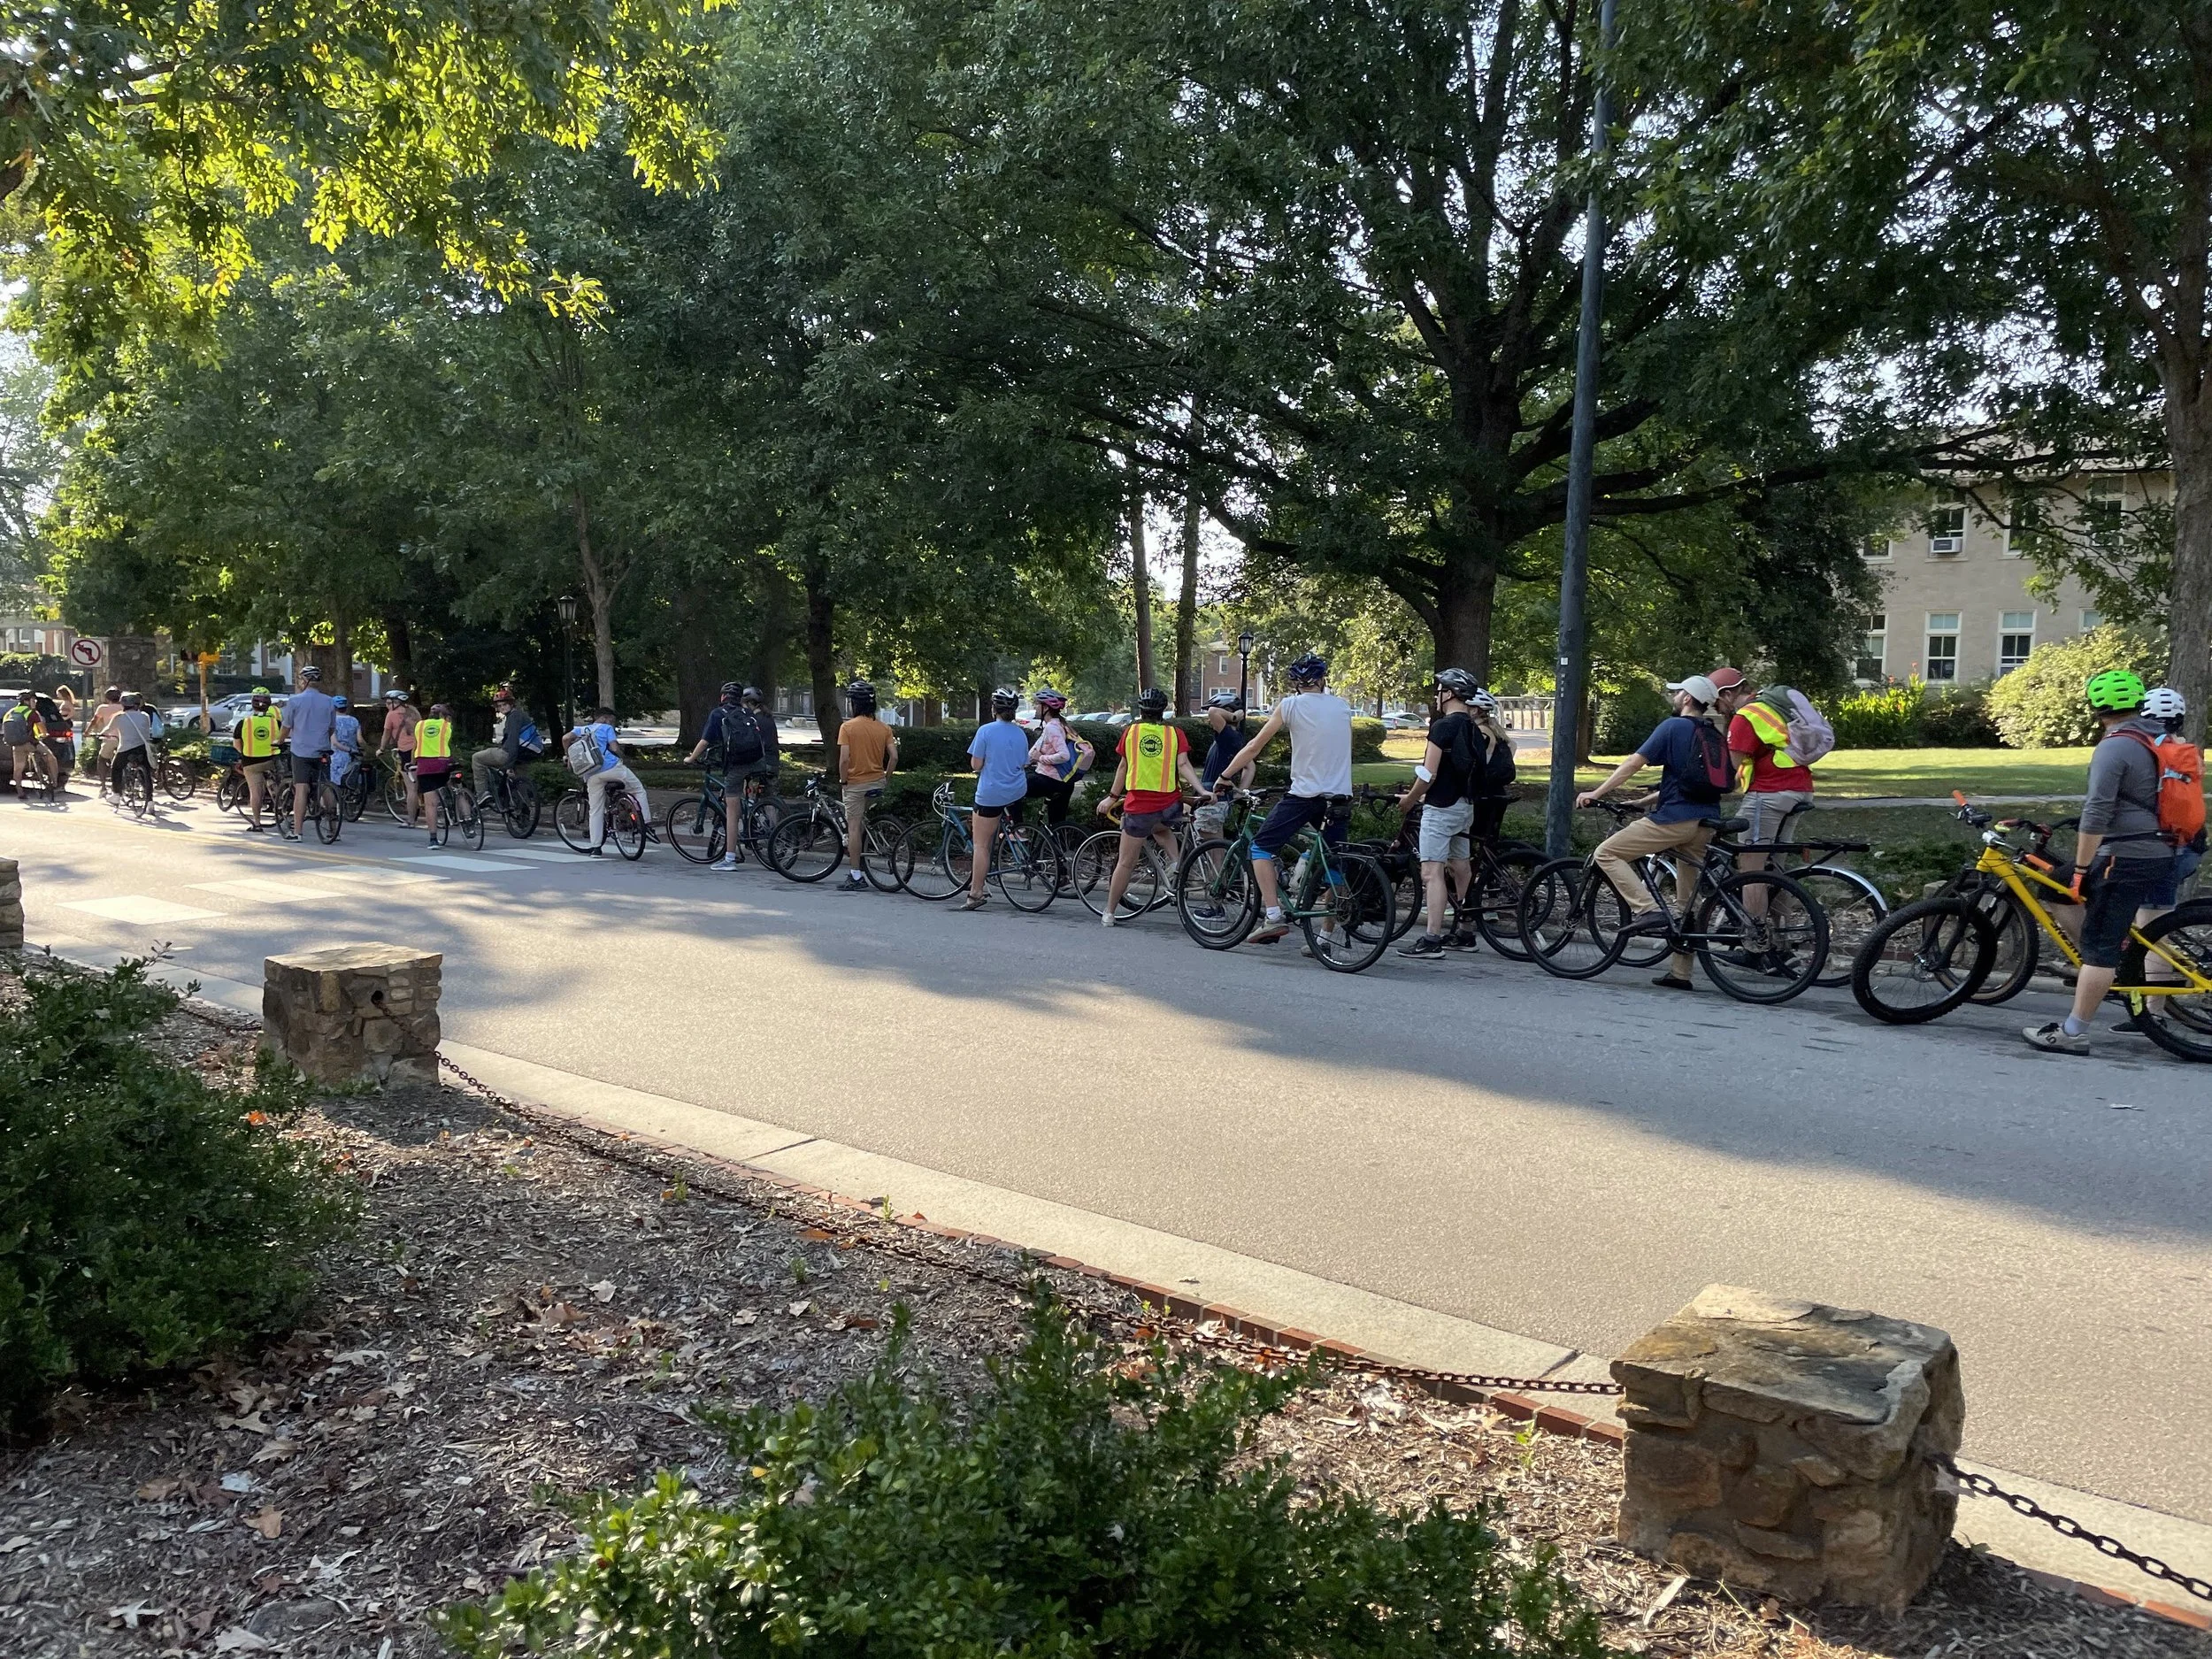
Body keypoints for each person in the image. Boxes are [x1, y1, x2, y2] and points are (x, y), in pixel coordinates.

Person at [2024, 672, 2185, 1054]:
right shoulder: (2153, 738)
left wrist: (2081, 870)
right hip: (2157, 848)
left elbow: (2097, 812)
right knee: (2053, 884)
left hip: (2127, 854)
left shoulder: (2115, 746)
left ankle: (2074, 1032)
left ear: (2097, 708)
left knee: (2099, 943)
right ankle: (2111, 963)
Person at [1575, 673, 1735, 990]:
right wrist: (1643, 800)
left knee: (1606, 852)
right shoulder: (1711, 732)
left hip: (1674, 820)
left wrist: (1598, 793)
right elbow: (1685, 780)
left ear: (1688, 699)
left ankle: (1645, 909)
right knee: (1686, 900)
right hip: (1705, 822)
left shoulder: (1672, 726)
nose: (1674, 697)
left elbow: (1634, 764)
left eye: (1678, 693)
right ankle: (1680, 973)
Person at [1212, 652, 1355, 946]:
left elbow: (1253, 747)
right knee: (1334, 862)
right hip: (1340, 796)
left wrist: (1226, 776)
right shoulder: (1343, 707)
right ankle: (1326, 937)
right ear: (1323, 680)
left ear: (1296, 684)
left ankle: (1273, 916)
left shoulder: (1290, 706)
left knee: (1261, 848)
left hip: (1305, 795)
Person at [1095, 687, 1208, 926]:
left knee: (1126, 862)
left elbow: (1123, 768)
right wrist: (1202, 791)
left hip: (1140, 806)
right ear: (1163, 711)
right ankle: (1176, 863)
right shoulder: (1176, 734)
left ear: (1141, 710)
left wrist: (1112, 797)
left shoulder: (1131, 732)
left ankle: (1110, 911)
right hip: (1170, 803)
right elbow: (1184, 765)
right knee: (1161, 827)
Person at [1394, 669, 1485, 959]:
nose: (1437, 695)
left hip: (1440, 808)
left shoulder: (1442, 727)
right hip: (1464, 807)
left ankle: (1432, 938)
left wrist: (1409, 799)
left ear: (1450, 694)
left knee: (1431, 873)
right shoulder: (1473, 727)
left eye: (1440, 690)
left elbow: (1428, 774)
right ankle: (1465, 930)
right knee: (1462, 867)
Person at [1719, 667, 1814, 916]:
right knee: (1775, 871)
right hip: (1800, 788)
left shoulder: (1746, 716)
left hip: (1769, 792)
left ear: (1728, 694)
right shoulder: (1770, 707)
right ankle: (1781, 942)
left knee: (1751, 871)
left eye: (1717, 701)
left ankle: (1755, 939)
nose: (1717, 708)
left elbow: (1732, 765)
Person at [685, 682, 778, 872]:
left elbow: (705, 741)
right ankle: (755, 817)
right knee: (749, 798)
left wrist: (691, 758)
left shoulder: (718, 713)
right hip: (757, 762)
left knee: (732, 814)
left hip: (737, 766)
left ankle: (729, 859)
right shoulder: (748, 713)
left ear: (723, 697)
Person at [962, 688, 1035, 909]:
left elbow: (975, 764)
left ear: (994, 709)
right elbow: (1024, 761)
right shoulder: (1020, 733)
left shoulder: (985, 731)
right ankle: (1008, 841)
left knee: (981, 844)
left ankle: (976, 892)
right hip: (1017, 789)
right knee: (994, 828)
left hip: (992, 792)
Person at [833, 680, 896, 893]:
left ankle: (856, 875)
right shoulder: (884, 727)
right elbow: (894, 756)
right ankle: (865, 847)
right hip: (877, 782)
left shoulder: (847, 727)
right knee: (860, 822)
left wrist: (843, 779)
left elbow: (843, 760)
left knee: (853, 826)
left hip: (855, 784)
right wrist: (885, 777)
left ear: (853, 704)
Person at [569, 706, 650, 854]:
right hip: (611, 768)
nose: (611, 723)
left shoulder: (581, 730)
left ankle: (596, 847)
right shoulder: (606, 728)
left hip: (591, 774)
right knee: (638, 789)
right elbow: (613, 748)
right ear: (605, 718)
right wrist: (623, 756)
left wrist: (567, 755)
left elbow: (565, 738)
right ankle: (645, 823)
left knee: (596, 809)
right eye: (611, 720)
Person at [279, 664, 336, 840]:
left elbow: (286, 726)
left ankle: (298, 832)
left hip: (301, 750)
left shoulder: (295, 701)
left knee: (301, 788)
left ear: (304, 680)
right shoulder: (329, 701)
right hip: (322, 750)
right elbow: (331, 728)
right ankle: (333, 828)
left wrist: (279, 741)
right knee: (326, 786)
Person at [1022, 688, 1093, 828]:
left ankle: (1018, 831)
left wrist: (1041, 758)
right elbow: (1031, 754)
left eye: (1037, 704)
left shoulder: (1052, 728)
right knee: (1057, 825)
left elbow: (1064, 755)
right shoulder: (1063, 725)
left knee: (1011, 787)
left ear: (1046, 708)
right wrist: (1027, 760)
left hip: (1049, 780)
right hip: (1065, 782)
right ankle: (1058, 849)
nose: (1035, 707)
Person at [1194, 690, 1253, 841]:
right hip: (1219, 798)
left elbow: (1213, 712)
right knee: (1216, 845)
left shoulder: (1227, 735)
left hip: (1212, 798)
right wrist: (1240, 792)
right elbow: (1250, 766)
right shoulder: (1235, 738)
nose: (1209, 720)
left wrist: (1234, 716)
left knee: (1214, 850)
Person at [472, 685, 540, 807]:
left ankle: (482, 794)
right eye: (499, 706)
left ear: (511, 704)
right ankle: (523, 815)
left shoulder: (514, 717)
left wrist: (509, 765)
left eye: (505, 705)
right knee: (519, 784)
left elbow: (513, 741)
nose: (502, 708)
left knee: (477, 758)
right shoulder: (521, 715)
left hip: (510, 754)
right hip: (524, 755)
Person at [232, 687, 282, 833]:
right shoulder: (276, 723)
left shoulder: (244, 723)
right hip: (271, 760)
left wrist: (246, 752)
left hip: (251, 762)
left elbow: (236, 744)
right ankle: (280, 808)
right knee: (275, 783)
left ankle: (257, 823)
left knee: (256, 793)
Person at [413, 703, 457, 847]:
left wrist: (411, 762)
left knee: (431, 804)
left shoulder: (419, 726)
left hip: (425, 767)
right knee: (457, 786)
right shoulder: (446, 725)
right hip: (443, 764)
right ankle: (467, 818)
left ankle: (433, 839)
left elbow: (416, 744)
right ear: (445, 716)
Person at [4, 689, 56, 800]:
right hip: (30, 743)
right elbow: (42, 730)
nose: (35, 702)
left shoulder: (11, 712)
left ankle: (20, 793)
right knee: (51, 757)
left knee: (18, 769)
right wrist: (44, 734)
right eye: (34, 700)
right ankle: (55, 783)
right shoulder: (32, 713)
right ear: (28, 701)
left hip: (16, 744)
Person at [380, 687, 420, 825]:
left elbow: (386, 734)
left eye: (388, 702)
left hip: (407, 751)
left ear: (395, 703)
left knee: (411, 788)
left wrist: (381, 749)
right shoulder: (414, 711)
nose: (386, 705)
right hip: (421, 749)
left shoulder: (391, 715)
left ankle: (410, 821)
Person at [35, 687, 74, 786]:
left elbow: (72, 712)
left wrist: (64, 719)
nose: (57, 695)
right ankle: (55, 780)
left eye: (58, 694)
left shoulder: (66, 702)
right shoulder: (65, 702)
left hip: (63, 723)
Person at [86, 685, 122, 785]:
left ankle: (103, 785)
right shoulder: (124, 707)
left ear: (106, 698)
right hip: (124, 738)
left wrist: (87, 732)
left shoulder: (102, 708)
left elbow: (94, 721)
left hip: (110, 738)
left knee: (102, 759)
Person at [329, 695, 363, 793]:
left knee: (333, 785)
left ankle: (334, 805)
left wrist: (347, 749)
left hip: (336, 757)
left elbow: (335, 742)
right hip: (352, 757)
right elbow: (360, 740)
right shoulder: (354, 720)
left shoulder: (332, 721)